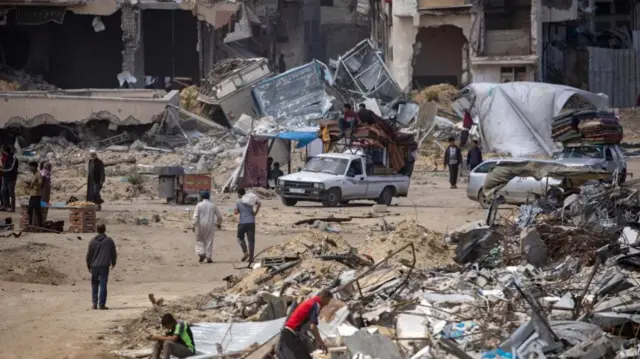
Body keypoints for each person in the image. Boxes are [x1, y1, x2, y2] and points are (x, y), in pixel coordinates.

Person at [277, 289, 333, 359]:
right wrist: (321, 343)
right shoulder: (316, 304)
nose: (327, 304)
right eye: (327, 300)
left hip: (288, 332)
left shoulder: (310, 302)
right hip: (291, 333)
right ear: (323, 297)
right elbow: (313, 327)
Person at [86, 224, 116, 310]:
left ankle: (94, 304)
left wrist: (88, 265)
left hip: (94, 266)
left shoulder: (92, 241)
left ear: (97, 230)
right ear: (105, 230)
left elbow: (89, 254)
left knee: (94, 284)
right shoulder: (109, 241)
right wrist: (113, 263)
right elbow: (113, 253)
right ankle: (101, 304)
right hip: (104, 266)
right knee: (103, 285)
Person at [191, 191, 222, 263]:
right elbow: (219, 216)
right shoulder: (213, 205)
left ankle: (201, 253)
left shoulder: (199, 205)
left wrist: (193, 225)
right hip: (210, 226)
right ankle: (208, 257)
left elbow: (195, 216)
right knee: (209, 241)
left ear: (201, 197)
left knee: (199, 240)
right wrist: (218, 223)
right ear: (209, 197)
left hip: (200, 226)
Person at [234, 188, 261, 262]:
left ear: (239, 194)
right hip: (251, 222)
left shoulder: (238, 201)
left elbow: (236, 212)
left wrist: (237, 210)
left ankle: (245, 252)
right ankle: (251, 257)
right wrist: (255, 213)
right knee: (251, 241)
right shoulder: (250, 200)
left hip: (242, 223)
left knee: (240, 237)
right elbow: (259, 203)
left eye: (238, 194)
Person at [26, 161, 43, 228]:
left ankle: (40, 225)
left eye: (31, 166)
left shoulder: (38, 174)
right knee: (30, 210)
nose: (30, 168)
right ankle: (30, 224)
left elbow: (40, 183)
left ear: (34, 167)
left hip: (36, 195)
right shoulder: (34, 174)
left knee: (37, 211)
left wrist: (33, 185)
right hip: (33, 195)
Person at [1, 145, 18, 212]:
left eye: (2, 150)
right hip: (5, 177)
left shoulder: (13, 158)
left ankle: (13, 207)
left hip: (11, 178)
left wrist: (3, 170)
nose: (2, 151)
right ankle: (5, 206)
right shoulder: (7, 157)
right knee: (3, 191)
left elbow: (11, 168)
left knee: (11, 193)